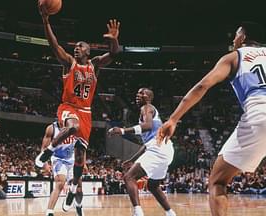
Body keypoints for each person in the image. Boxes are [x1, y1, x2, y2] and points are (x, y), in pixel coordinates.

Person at [157, 22, 266, 216]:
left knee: (218, 181)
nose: (233, 39)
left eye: (235, 35)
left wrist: (173, 119)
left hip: (260, 112)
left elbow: (202, 86)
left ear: (243, 38)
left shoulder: (234, 56)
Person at [35, 3, 120, 210]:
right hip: (68, 106)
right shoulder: (69, 62)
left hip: (86, 112)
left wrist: (114, 40)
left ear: (89, 51)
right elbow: (54, 45)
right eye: (76, 46)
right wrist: (46, 21)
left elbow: (114, 54)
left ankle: (73, 188)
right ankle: (48, 152)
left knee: (81, 155)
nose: (77, 48)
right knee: (71, 127)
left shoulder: (95, 65)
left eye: (81, 46)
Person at [108, 88, 176, 216]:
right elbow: (146, 146)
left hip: (158, 149)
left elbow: (147, 126)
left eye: (142, 93)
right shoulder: (149, 110)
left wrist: (122, 131)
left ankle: (138, 213)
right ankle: (170, 213)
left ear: (149, 98)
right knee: (153, 185)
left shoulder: (147, 107)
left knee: (129, 177)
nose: (138, 95)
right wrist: (132, 160)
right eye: (137, 93)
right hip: (165, 149)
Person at [37, 122, 84, 216]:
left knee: (79, 189)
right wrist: (45, 163)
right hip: (58, 159)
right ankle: (49, 212)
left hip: (72, 159)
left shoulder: (76, 127)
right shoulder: (52, 128)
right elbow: (44, 147)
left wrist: (83, 162)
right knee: (60, 183)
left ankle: (79, 206)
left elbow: (80, 146)